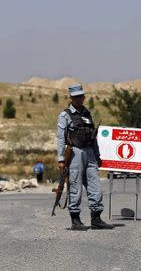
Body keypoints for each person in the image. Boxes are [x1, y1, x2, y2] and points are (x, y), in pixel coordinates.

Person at [56, 84, 113, 231]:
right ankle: (75, 220)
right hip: (75, 153)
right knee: (75, 186)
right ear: (71, 98)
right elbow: (61, 138)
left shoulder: (87, 113)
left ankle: (96, 219)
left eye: (81, 96)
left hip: (90, 153)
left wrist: (97, 154)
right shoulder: (65, 115)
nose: (79, 99)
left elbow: (93, 136)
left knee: (95, 186)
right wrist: (61, 159)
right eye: (76, 97)